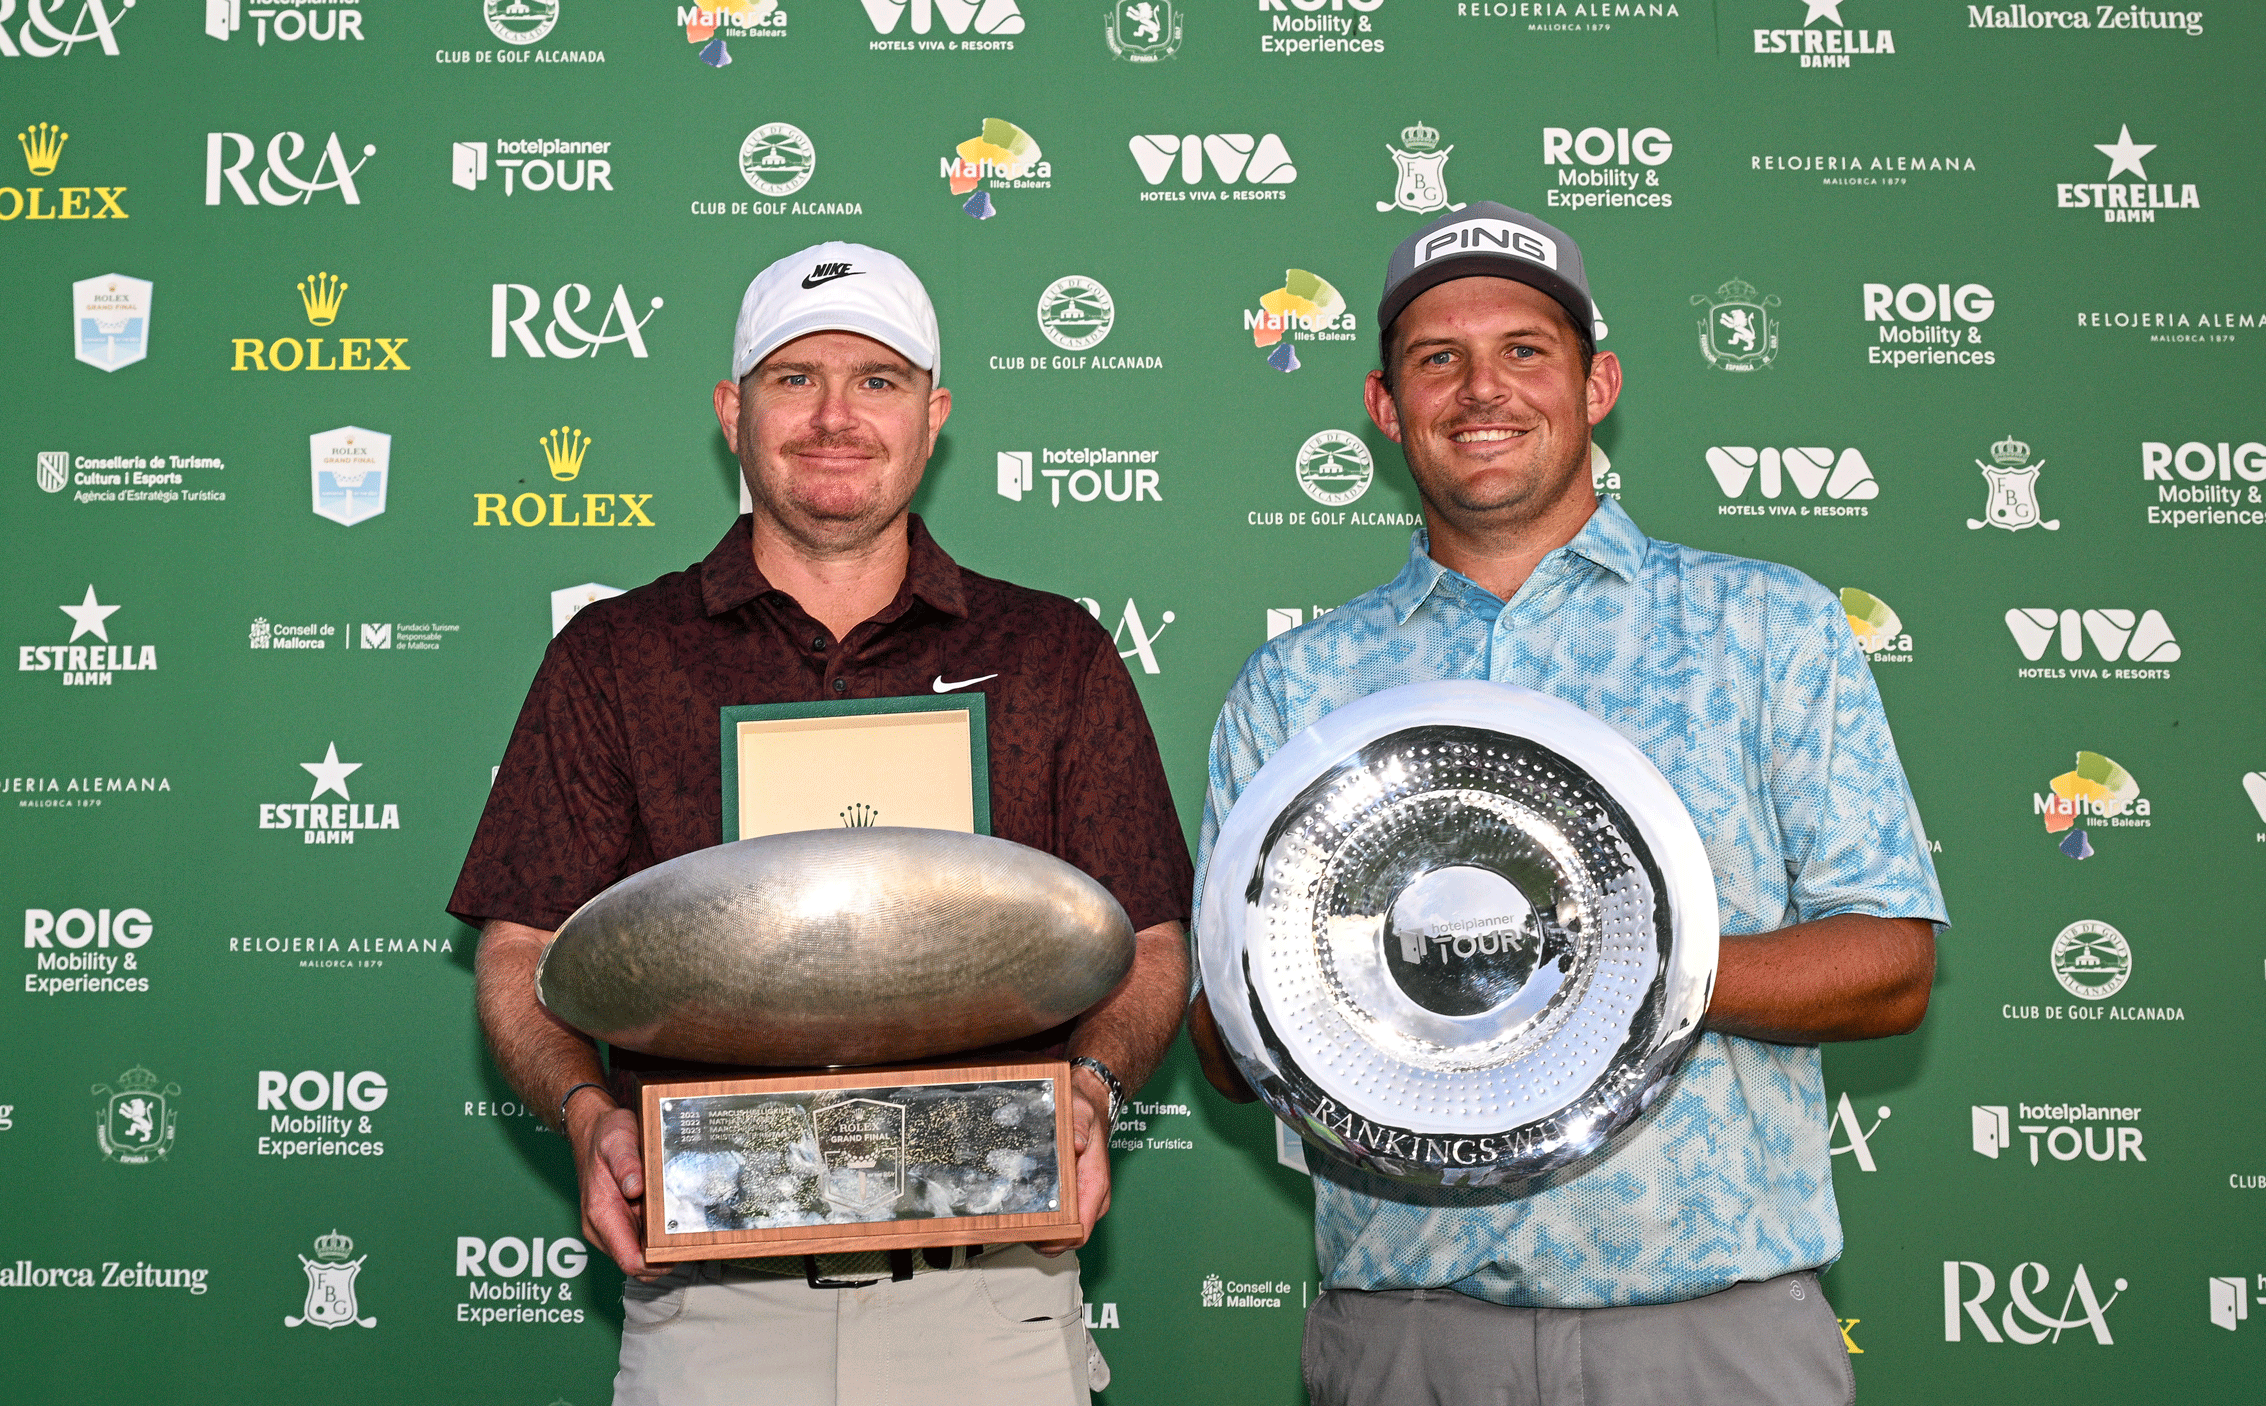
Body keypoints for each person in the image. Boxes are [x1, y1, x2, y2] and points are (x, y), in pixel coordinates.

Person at [1187, 203, 1947, 1405]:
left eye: (1524, 351)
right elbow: (1227, 1048)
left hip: (1710, 1333)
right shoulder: (1299, 689)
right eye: (1437, 358)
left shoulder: (1766, 626)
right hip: (1409, 1339)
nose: (1481, 389)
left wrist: (1608, 968)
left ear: (1597, 386)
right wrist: (1299, 989)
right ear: (1385, 406)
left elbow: (1890, 965)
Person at [451, 241, 1193, 1406]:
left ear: (932, 416)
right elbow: (521, 948)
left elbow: (1148, 937)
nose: (835, 415)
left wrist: (1090, 1090)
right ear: (730, 412)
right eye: (794, 378)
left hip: (991, 1294)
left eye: (877, 380)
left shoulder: (1052, 652)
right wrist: (588, 1114)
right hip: (713, 1303)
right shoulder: (616, 656)